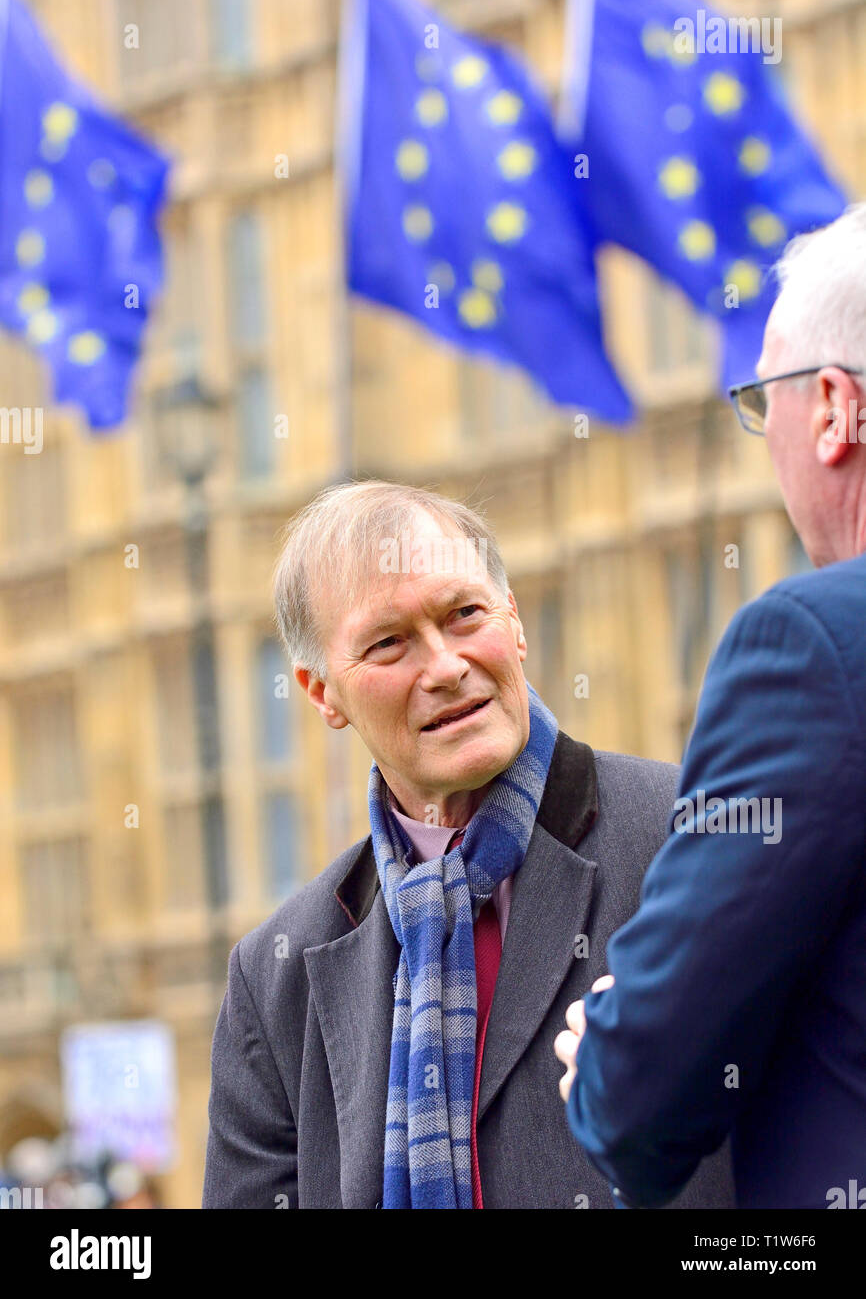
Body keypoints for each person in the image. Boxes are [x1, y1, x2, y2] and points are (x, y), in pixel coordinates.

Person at [202, 479, 732, 1209]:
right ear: (322, 692)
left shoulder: (695, 839)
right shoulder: (274, 978)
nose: (446, 666)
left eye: (465, 614)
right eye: (388, 643)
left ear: (512, 620)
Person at [557, 204, 866, 1209]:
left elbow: (641, 1091)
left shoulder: (810, 646)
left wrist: (603, 1046)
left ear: (830, 407)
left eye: (759, 399)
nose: (760, 434)